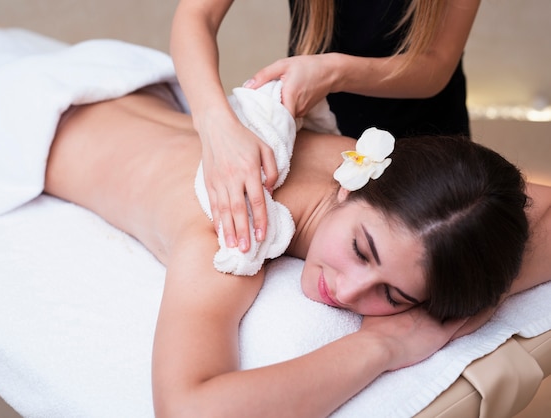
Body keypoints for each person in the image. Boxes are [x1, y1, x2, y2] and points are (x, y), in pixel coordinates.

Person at [43, 83, 551, 417]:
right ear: (351, 187)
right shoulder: (232, 231)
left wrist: (473, 295)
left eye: (393, 296)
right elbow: (187, 408)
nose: (347, 290)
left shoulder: (389, 174)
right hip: (37, 121)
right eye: (361, 249)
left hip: (138, 98)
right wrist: (384, 346)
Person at [170, 0, 481, 254]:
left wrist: (336, 72)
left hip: (425, 146)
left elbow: (437, 65)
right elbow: (197, 14)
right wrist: (216, 124)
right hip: (316, 134)